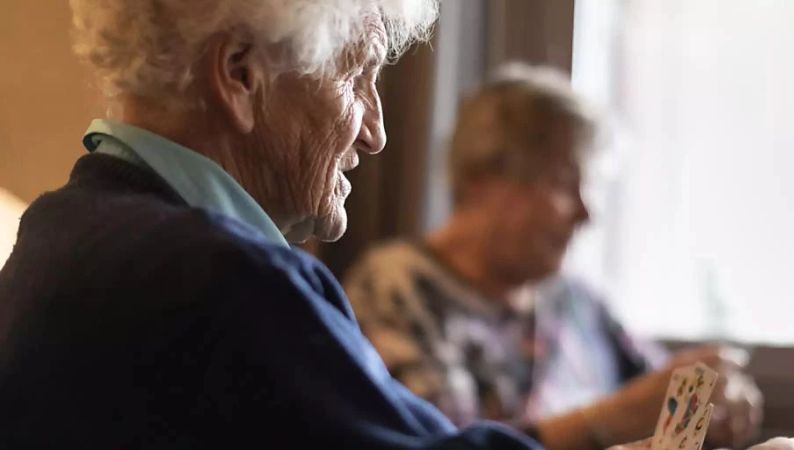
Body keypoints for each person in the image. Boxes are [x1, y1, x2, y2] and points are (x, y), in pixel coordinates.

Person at [0, 1, 546, 448]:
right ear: (239, 73)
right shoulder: (223, 280)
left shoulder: (60, 226)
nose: (375, 132)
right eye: (356, 77)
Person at [343, 65, 764, 450]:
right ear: (480, 179)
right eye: (563, 183)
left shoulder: (576, 301)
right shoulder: (394, 290)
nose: (587, 212)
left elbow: (661, 389)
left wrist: (717, 397)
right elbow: (441, 446)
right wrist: (614, 419)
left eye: (590, 185)